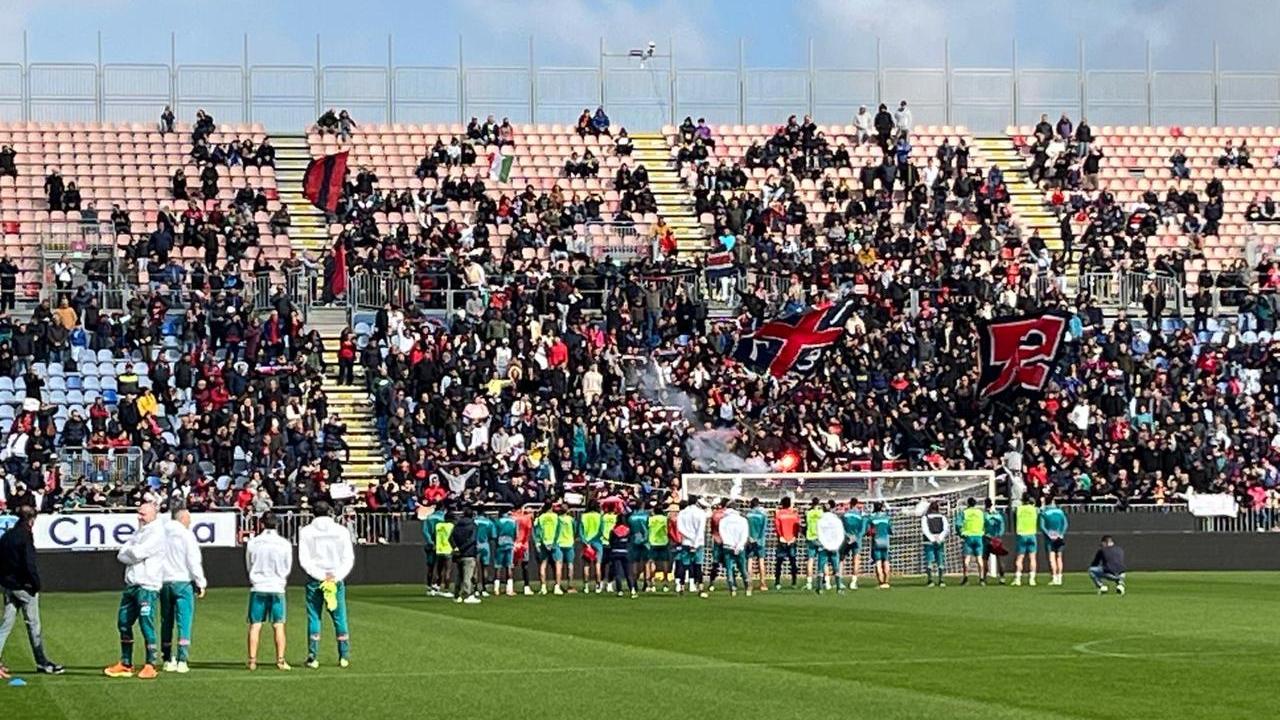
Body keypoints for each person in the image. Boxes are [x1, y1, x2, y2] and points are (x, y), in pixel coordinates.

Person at [104, 502, 166, 680]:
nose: (139, 516)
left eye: (143, 514)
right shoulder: (139, 532)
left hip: (147, 586)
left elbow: (137, 553)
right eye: (139, 513)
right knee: (123, 622)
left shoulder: (157, 533)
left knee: (146, 624)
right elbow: (121, 554)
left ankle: (150, 664)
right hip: (131, 585)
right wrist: (131, 552)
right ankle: (125, 662)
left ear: (153, 515)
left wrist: (131, 552)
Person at [0, 506, 63, 678]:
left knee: (5, 625)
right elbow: (29, 563)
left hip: (8, 586)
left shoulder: (6, 536)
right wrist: (35, 584)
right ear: (32, 519)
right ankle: (42, 662)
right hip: (23, 587)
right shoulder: (25, 536)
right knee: (34, 625)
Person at [297, 501, 355, 668]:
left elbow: (305, 559)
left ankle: (313, 656)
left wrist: (321, 575)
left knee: (314, 617)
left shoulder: (306, 532)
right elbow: (348, 558)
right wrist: (334, 576)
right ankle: (344, 655)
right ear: (329, 512)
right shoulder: (341, 531)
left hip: (316, 579)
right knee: (339, 617)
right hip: (335, 578)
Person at [159, 508, 207, 673]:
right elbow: (193, 560)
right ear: (182, 518)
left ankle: (166, 658)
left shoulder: (161, 532)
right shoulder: (187, 535)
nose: (190, 521)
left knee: (166, 621)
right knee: (184, 622)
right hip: (183, 581)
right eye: (188, 518)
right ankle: (182, 659)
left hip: (164, 581)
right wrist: (200, 582)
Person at [245, 512, 292, 671]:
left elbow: (249, 564)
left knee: (255, 625)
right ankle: (280, 660)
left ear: (262, 524)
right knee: (279, 625)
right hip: (277, 586)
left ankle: (252, 660)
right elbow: (287, 567)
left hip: (258, 586)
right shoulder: (284, 544)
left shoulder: (253, 543)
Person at [676, 498, 710, 598]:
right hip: (698, 543)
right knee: (698, 566)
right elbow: (701, 530)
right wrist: (695, 543)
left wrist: (689, 538)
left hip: (686, 542)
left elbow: (680, 529)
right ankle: (700, 588)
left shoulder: (682, 513)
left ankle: (681, 587)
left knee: (684, 565)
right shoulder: (700, 513)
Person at [449, 506, 481, 604]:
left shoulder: (457, 525)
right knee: (468, 576)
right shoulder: (473, 525)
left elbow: (450, 538)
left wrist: (456, 548)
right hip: (469, 553)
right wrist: (462, 548)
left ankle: (457, 595)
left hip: (458, 554)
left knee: (459, 576)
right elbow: (472, 540)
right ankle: (468, 595)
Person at [718, 502, 750, 597]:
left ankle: (732, 588)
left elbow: (722, 534)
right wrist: (739, 545)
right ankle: (747, 587)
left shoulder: (723, 520)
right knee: (743, 568)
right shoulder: (743, 520)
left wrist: (730, 544)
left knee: (729, 569)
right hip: (739, 547)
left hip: (728, 546)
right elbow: (744, 535)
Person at [815, 501, 845, 593]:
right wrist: (837, 544)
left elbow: (819, 534)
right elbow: (840, 533)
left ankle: (820, 588)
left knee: (820, 567)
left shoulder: (820, 520)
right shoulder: (836, 520)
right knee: (836, 568)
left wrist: (823, 543)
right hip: (834, 546)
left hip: (824, 546)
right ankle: (839, 587)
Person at [607, 512, 638, 598]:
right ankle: (632, 590)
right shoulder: (628, 530)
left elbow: (611, 542)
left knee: (617, 572)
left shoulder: (613, 531)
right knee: (628, 573)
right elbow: (630, 541)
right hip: (625, 552)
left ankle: (619, 590)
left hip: (615, 552)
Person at [1040, 497, 1069, 586]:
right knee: (1059, 557)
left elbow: (1042, 526)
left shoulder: (1044, 513)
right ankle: (1060, 578)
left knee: (1051, 557)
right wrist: (1061, 534)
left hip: (1050, 539)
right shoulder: (1060, 512)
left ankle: (1054, 577)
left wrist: (1049, 535)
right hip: (1060, 537)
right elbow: (1065, 524)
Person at [958, 497, 987, 585]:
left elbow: (958, 524)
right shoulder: (980, 512)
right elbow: (985, 523)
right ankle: (982, 579)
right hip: (978, 536)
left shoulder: (964, 512)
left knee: (967, 559)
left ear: (968, 504)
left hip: (968, 536)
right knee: (979, 558)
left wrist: (961, 533)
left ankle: (966, 578)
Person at [841, 498, 869, 590]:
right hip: (857, 539)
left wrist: (848, 536)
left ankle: (840, 581)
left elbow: (841, 527)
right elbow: (864, 529)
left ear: (850, 504)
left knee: (841, 559)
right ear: (857, 504)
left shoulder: (845, 515)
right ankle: (853, 582)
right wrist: (856, 537)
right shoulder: (861, 515)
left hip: (847, 538)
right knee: (856, 559)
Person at [1012, 494, 1040, 586]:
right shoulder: (1034, 509)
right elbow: (1039, 509)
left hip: (1022, 534)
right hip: (1031, 534)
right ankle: (1032, 579)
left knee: (1020, 558)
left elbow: (1014, 513)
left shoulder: (1018, 509)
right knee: (1032, 558)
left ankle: (1018, 579)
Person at [578, 500, 605, 593]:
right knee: (598, 564)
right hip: (597, 542)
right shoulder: (599, 517)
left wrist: (585, 542)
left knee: (586, 565)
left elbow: (580, 531)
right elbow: (601, 531)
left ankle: (586, 586)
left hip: (587, 542)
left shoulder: (583, 516)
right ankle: (598, 586)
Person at [920, 501, 949, 588]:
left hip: (929, 542)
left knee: (929, 561)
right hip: (940, 541)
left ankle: (930, 580)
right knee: (940, 560)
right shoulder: (942, 517)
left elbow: (925, 530)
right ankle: (941, 580)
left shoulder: (925, 518)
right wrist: (939, 538)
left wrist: (932, 539)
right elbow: (946, 529)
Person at [535, 502, 561, 594]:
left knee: (543, 565)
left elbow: (538, 532)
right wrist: (553, 542)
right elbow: (558, 531)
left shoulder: (540, 518)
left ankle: (543, 587)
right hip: (554, 543)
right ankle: (557, 587)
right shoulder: (556, 517)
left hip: (544, 543)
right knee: (558, 564)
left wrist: (541, 542)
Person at [744, 498, 769, 593]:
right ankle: (763, 584)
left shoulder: (747, 515)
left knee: (749, 562)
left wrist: (749, 538)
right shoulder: (763, 515)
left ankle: (749, 584)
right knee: (761, 562)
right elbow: (764, 529)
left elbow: (745, 528)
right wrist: (759, 539)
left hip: (750, 540)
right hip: (760, 541)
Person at [646, 502, 670, 592]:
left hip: (652, 542)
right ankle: (665, 583)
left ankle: (651, 583)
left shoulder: (650, 519)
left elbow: (648, 529)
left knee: (651, 562)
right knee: (665, 563)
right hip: (664, 542)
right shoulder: (665, 519)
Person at [421, 502, 445, 595]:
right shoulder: (443, 518)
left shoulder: (429, 517)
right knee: (440, 567)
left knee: (430, 567)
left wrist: (430, 542)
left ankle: (429, 587)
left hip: (430, 545)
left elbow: (425, 531)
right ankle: (437, 586)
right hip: (440, 545)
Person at [494, 507, 518, 596]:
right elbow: (516, 534)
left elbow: (495, 534)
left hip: (500, 544)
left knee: (498, 566)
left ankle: (496, 589)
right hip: (510, 543)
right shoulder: (513, 521)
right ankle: (510, 589)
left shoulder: (498, 521)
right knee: (509, 566)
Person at [626, 502, 649, 591]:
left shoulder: (631, 518)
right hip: (645, 540)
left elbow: (629, 530)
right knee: (646, 562)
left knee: (635, 562)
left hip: (634, 539)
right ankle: (646, 583)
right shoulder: (646, 516)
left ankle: (634, 583)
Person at [868, 502, 893, 589]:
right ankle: (887, 582)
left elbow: (869, 531)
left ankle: (881, 583)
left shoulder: (872, 518)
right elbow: (891, 531)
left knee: (878, 563)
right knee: (886, 562)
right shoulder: (887, 518)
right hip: (886, 542)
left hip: (876, 542)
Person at [983, 498, 1007, 584]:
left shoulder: (984, 515)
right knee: (999, 558)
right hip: (997, 539)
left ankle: (984, 579)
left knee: (985, 559)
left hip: (986, 539)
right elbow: (1002, 528)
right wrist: (998, 536)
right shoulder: (998, 515)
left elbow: (982, 527)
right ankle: (1002, 578)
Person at [473, 508, 495, 598]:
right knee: (485, 568)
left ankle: (476, 589)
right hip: (485, 545)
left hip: (476, 545)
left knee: (476, 568)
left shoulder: (474, 521)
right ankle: (484, 589)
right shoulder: (489, 522)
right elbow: (493, 535)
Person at [803, 497, 824, 591]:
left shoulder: (808, 513)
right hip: (820, 538)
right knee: (823, 560)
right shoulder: (821, 513)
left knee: (810, 560)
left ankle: (809, 583)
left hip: (810, 537)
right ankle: (826, 582)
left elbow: (807, 524)